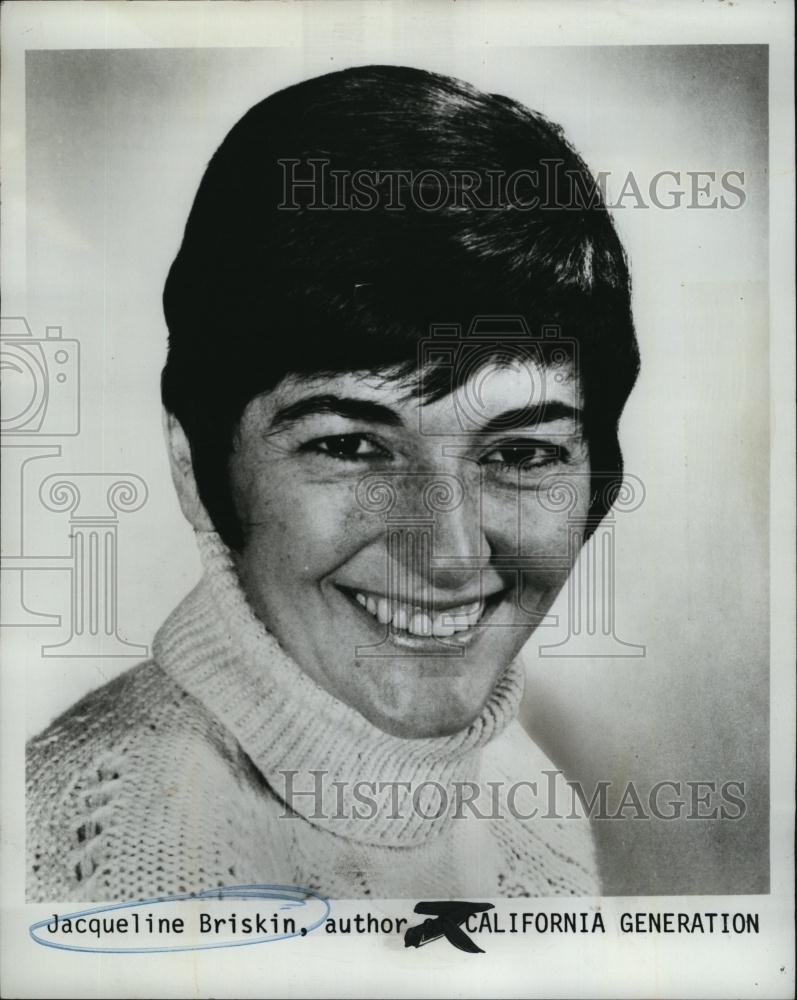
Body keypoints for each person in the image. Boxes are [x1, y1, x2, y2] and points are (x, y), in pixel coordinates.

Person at [27, 64, 639, 902]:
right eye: (352, 446)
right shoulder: (123, 846)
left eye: (522, 455)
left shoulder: (528, 798)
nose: (453, 554)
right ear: (196, 466)